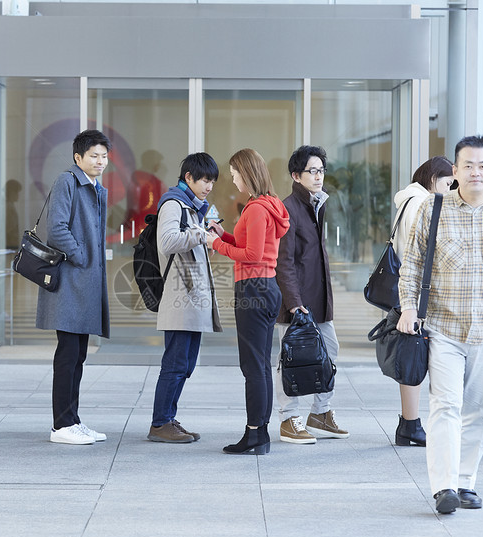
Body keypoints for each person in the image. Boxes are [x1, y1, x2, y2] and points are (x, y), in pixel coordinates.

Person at [397, 135, 483, 514]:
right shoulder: (433, 209)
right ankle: (444, 487)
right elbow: (411, 263)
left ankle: (465, 481)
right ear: (455, 171)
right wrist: (409, 307)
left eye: (482, 166)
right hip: (443, 327)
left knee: (478, 408)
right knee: (446, 405)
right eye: (467, 166)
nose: (475, 172)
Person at [207, 148, 290, 455]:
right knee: (260, 366)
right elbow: (253, 247)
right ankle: (259, 432)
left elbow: (253, 256)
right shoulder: (269, 205)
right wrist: (224, 235)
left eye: (234, 174)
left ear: (247, 173)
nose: (232, 179)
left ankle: (255, 434)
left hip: (253, 290)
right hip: (265, 287)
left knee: (253, 367)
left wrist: (214, 242)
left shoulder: (255, 209)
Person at [36, 129, 111, 445]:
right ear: (78, 157)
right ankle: (61, 425)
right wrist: (82, 256)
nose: (100, 161)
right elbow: (56, 230)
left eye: (104, 156)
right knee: (68, 353)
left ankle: (72, 420)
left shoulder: (96, 187)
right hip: (69, 282)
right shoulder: (68, 181)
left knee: (78, 353)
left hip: (84, 283)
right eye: (94, 155)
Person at [274, 145, 349, 444]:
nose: (318, 176)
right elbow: (285, 261)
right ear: (296, 175)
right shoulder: (288, 208)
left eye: (321, 170)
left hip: (318, 299)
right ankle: (288, 418)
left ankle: (320, 412)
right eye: (312, 171)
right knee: (289, 359)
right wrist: (294, 303)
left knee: (329, 351)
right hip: (297, 303)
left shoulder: (317, 204)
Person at [147, 153, 223, 443]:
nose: (209, 186)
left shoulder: (193, 208)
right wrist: (200, 235)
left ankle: (168, 417)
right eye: (205, 180)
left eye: (213, 181)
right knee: (176, 363)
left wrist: (206, 241)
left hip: (191, 299)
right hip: (179, 297)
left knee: (186, 364)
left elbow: (189, 241)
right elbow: (167, 242)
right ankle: (159, 423)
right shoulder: (173, 203)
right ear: (188, 177)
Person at [389, 156, 455, 447]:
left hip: (410, 288)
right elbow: (428, 253)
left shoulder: (407, 199)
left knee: (412, 355)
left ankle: (409, 423)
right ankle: (411, 423)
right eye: (448, 183)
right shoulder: (422, 204)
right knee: (417, 356)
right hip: (420, 292)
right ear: (433, 179)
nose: (451, 189)